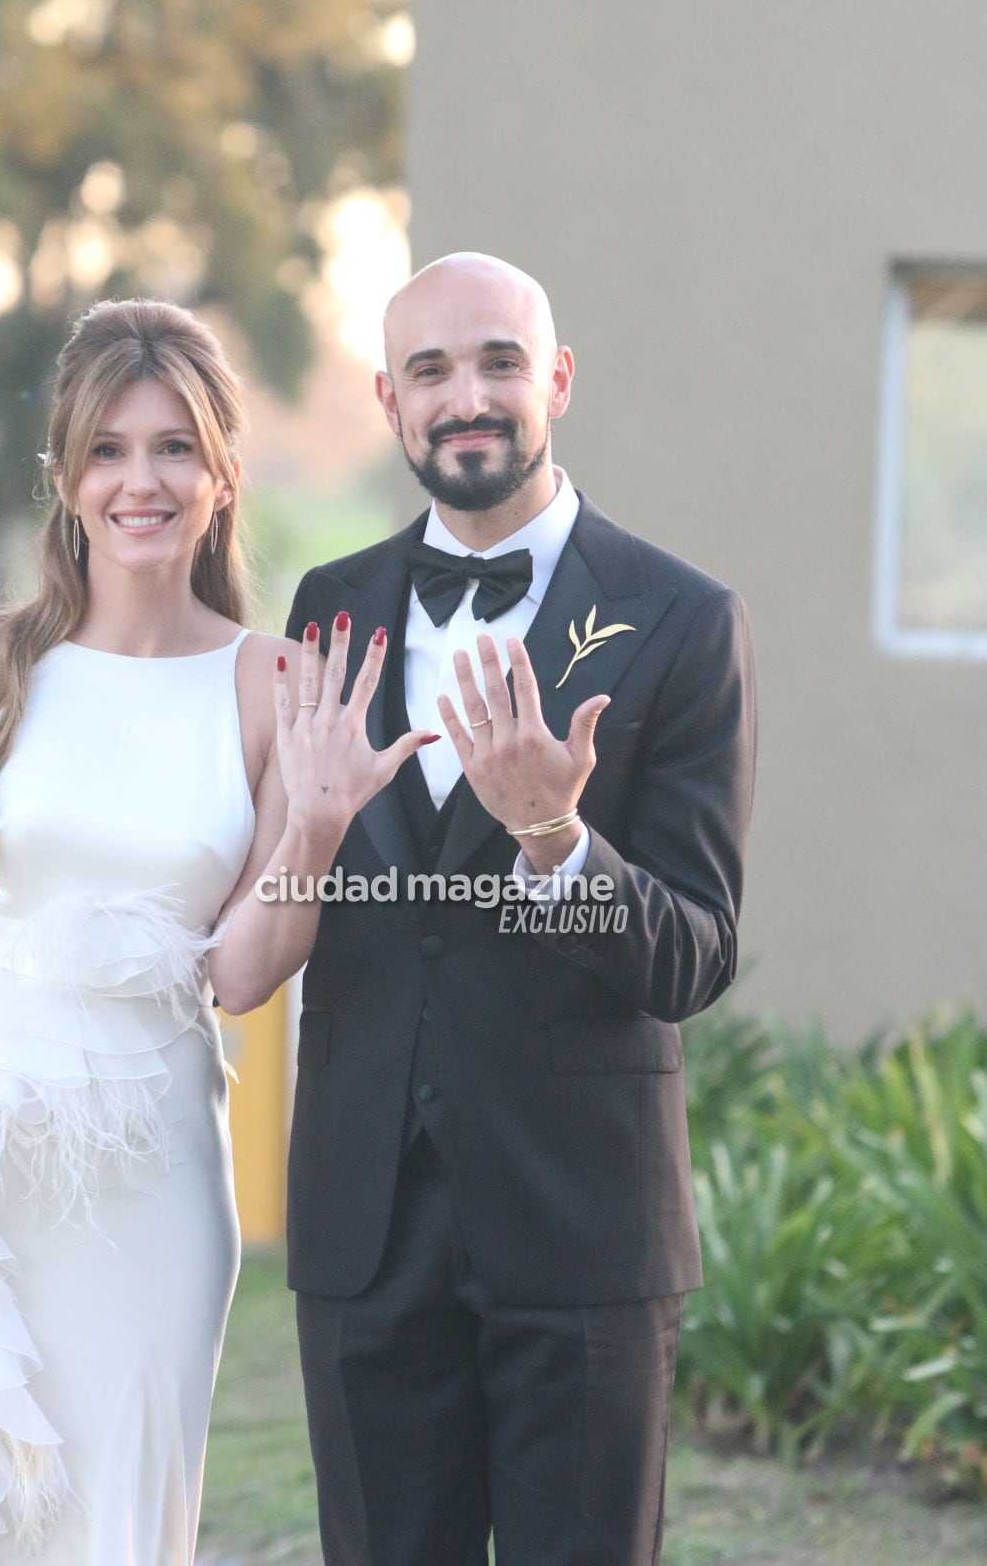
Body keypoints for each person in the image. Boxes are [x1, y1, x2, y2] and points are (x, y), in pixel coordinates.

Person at [0, 296, 435, 1566]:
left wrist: (310, 831)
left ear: (223, 474)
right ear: (65, 475)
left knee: (114, 1529)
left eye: (174, 448)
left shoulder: (272, 684)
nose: (140, 481)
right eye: (107, 449)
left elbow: (242, 978)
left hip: (147, 1188)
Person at [283, 253, 758, 1566]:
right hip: (365, 1227)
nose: (467, 395)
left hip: (584, 1228)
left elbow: (698, 955)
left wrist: (556, 838)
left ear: (554, 379)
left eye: (498, 361)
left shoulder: (682, 620)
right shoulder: (328, 611)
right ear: (389, 400)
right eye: (430, 369)